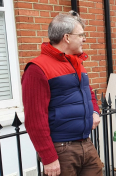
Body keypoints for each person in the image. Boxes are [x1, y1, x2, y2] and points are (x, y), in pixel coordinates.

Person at [22, 11, 102, 176]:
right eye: (81, 35)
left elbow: (87, 91)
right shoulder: (37, 69)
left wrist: (95, 111)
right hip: (61, 149)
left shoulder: (75, 62)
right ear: (67, 37)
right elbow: (34, 119)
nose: (84, 39)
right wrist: (49, 157)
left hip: (85, 143)